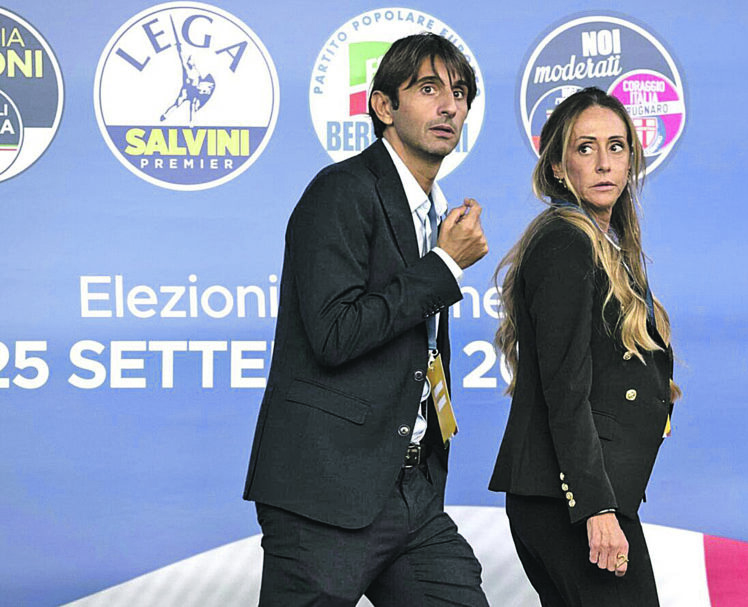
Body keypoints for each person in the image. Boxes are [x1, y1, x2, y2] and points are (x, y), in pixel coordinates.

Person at [243, 33, 489, 606]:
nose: (449, 105)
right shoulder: (340, 192)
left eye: (459, 93)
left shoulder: (433, 210)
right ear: (384, 107)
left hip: (411, 497)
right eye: (428, 89)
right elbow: (334, 334)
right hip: (323, 497)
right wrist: (445, 264)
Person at [489, 87, 681, 607]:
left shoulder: (605, 242)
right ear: (557, 167)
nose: (603, 163)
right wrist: (597, 509)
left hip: (577, 498)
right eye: (585, 148)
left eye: (616, 147)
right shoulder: (565, 242)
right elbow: (566, 391)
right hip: (571, 502)